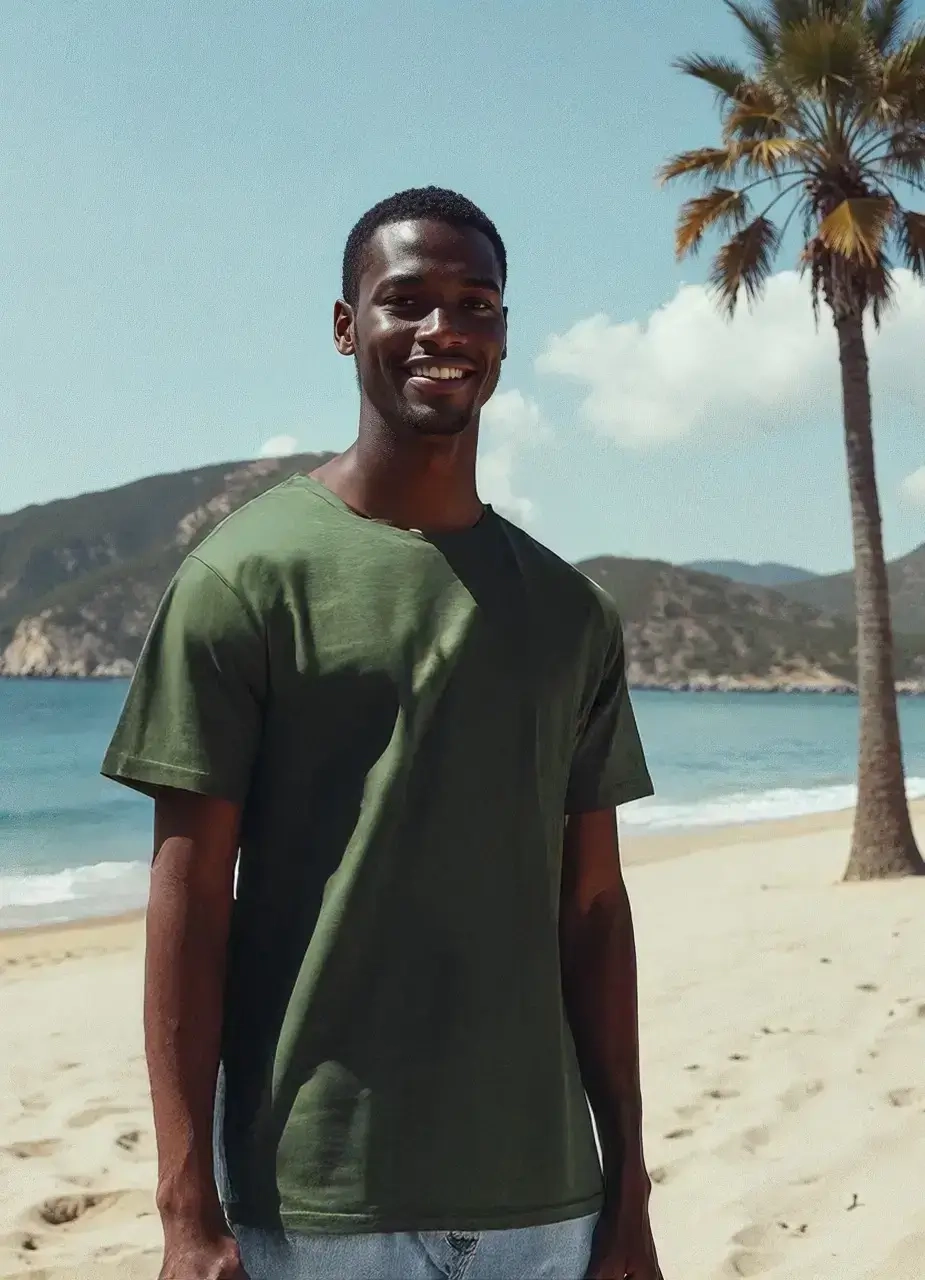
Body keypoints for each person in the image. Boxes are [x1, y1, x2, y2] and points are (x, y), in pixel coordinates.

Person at [102, 186, 664, 1280]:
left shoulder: (570, 614)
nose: (443, 329)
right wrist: (184, 1208)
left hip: (545, 1202)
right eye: (406, 300)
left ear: (503, 334)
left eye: (475, 304)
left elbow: (594, 907)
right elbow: (190, 898)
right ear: (344, 324)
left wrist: (629, 1187)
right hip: (314, 1203)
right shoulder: (242, 579)